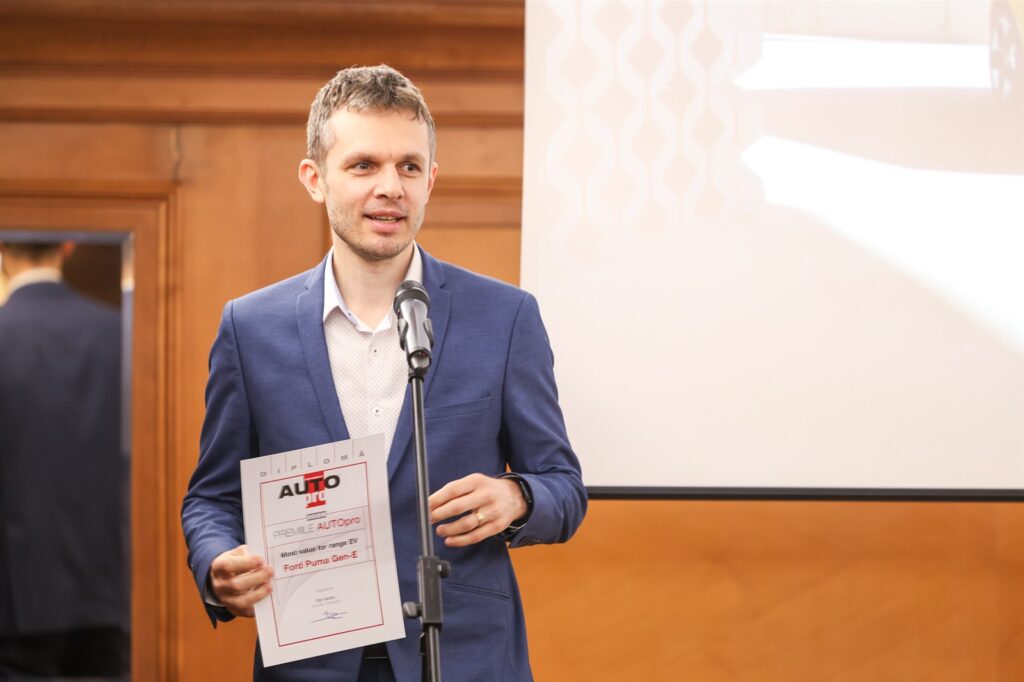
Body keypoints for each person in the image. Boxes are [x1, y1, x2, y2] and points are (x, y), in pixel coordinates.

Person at [181, 64, 586, 681]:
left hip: (464, 658)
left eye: (409, 167)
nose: (391, 187)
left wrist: (518, 497)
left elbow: (564, 487)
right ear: (315, 179)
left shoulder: (505, 317)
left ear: (431, 180)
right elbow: (211, 497)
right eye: (364, 165)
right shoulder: (250, 328)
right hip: (311, 662)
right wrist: (216, 565)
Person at [0, 241, 128, 678]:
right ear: (68, 246)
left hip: (15, 598)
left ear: (1, 247)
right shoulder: (121, 333)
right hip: (112, 590)